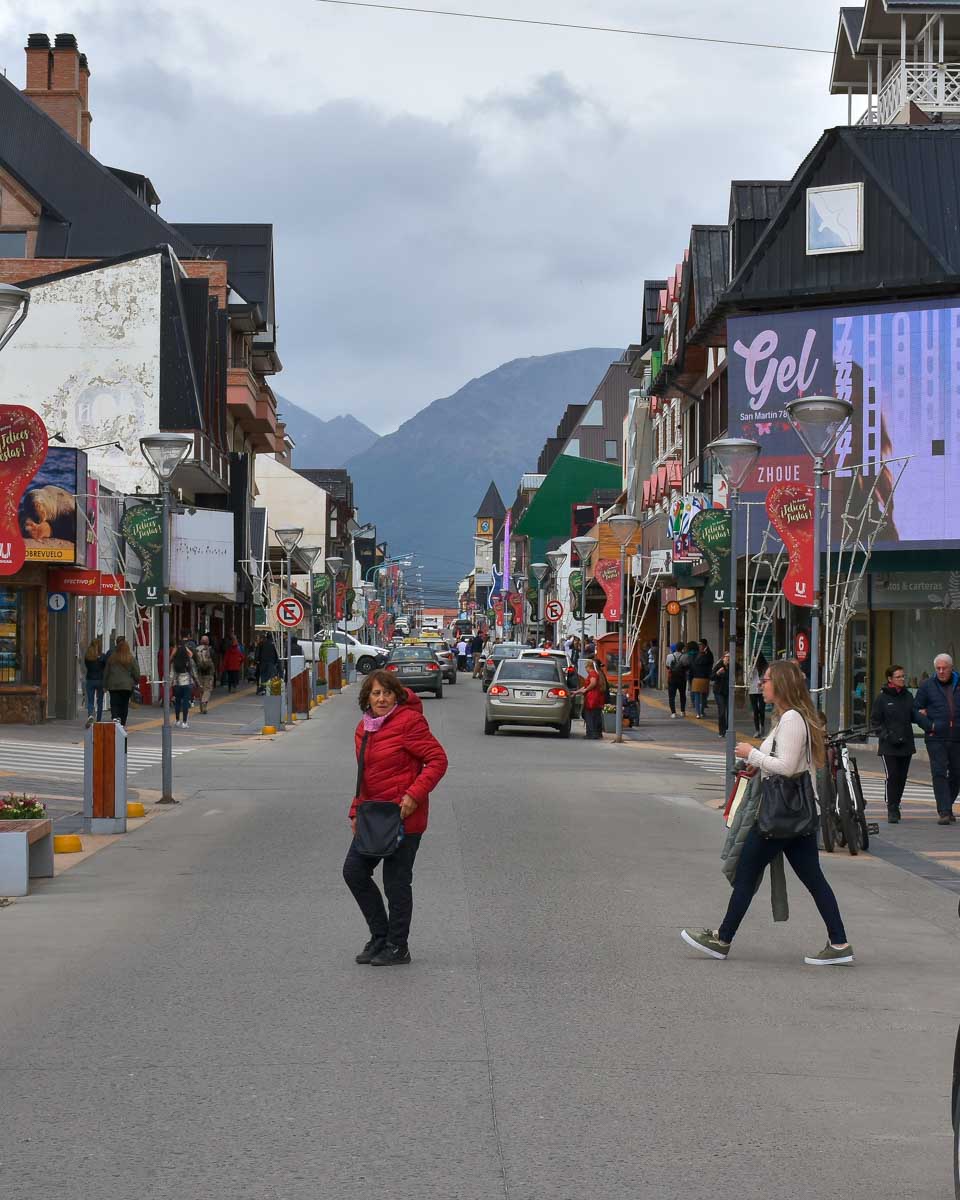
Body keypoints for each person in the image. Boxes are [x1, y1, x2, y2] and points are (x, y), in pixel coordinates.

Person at [681, 659, 853, 966]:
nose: (763, 684)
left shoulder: (791, 720)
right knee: (813, 880)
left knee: (747, 872)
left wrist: (753, 754)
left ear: (782, 684)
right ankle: (839, 943)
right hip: (796, 815)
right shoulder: (793, 718)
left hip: (780, 816)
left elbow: (786, 767)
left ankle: (722, 939)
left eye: (768, 680)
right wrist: (756, 760)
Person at [343, 670, 448, 966]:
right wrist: (355, 810)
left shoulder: (409, 722)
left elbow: (438, 759)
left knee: (396, 883)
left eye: (387, 693)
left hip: (404, 817)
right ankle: (380, 936)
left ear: (396, 696)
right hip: (373, 816)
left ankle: (398, 946)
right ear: (367, 698)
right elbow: (365, 776)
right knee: (354, 871)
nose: (381, 698)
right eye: (375, 693)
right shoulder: (364, 729)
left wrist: (414, 795)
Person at [913, 653, 960, 825]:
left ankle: (947, 804)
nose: (941, 671)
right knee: (939, 773)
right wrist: (929, 725)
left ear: (951, 667)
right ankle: (944, 811)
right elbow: (916, 710)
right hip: (936, 737)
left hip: (957, 736)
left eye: (944, 668)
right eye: (938, 668)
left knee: (957, 773)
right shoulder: (927, 686)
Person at [869, 664, 916, 825]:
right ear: (890, 679)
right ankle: (892, 808)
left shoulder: (908, 696)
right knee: (893, 776)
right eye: (899, 677)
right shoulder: (882, 698)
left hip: (906, 744)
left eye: (903, 676)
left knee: (902, 777)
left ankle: (897, 803)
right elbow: (875, 721)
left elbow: (914, 715)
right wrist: (886, 735)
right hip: (889, 745)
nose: (902, 679)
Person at [103, 636, 139, 727]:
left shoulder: (112, 658)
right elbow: (136, 672)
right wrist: (136, 680)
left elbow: (106, 672)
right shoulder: (130, 658)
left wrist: (105, 685)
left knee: (114, 702)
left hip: (113, 685)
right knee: (124, 704)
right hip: (126, 686)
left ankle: (115, 717)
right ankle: (122, 723)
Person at [574, 657, 608, 740]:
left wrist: (586, 690)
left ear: (588, 667)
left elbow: (592, 683)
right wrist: (576, 692)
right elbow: (585, 686)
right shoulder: (597, 673)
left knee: (589, 715)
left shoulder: (593, 674)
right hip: (596, 698)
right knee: (594, 715)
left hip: (592, 698)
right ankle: (596, 733)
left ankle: (591, 733)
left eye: (585, 667)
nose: (585, 669)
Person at [169, 640, 197, 729]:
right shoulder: (189, 660)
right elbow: (194, 672)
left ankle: (177, 720)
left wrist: (169, 684)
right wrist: (197, 682)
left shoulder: (174, 662)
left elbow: (171, 674)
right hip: (187, 683)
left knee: (177, 702)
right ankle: (184, 722)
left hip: (177, 684)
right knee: (185, 703)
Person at [83, 636, 106, 727]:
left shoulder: (87, 657)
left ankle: (90, 716)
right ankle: (99, 720)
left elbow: (87, 666)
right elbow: (105, 667)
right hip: (100, 680)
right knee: (100, 701)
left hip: (90, 680)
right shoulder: (103, 657)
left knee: (90, 701)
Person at [690, 639, 714, 719]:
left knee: (703, 695)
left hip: (704, 677)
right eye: (699, 645)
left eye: (701, 644)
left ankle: (701, 711)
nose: (700, 646)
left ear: (705, 645)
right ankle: (698, 712)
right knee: (698, 695)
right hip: (697, 677)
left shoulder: (708, 654)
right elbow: (692, 666)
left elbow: (709, 664)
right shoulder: (696, 654)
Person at [747, 653, 768, 738]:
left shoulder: (764, 667)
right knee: (755, 710)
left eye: (755, 657)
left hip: (761, 690)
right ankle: (757, 730)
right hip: (752, 690)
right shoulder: (751, 666)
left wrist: (762, 681)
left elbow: (766, 676)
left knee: (761, 710)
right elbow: (748, 676)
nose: (754, 658)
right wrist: (751, 667)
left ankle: (762, 727)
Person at [665, 643, 689, 719]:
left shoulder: (669, 656)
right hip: (682, 678)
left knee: (671, 696)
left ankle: (673, 713)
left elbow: (667, 666)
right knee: (682, 694)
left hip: (672, 678)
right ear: (682, 648)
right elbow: (687, 666)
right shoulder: (685, 656)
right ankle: (682, 711)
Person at [194, 635, 216, 714]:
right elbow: (213, 660)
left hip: (199, 672)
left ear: (200, 641)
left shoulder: (196, 650)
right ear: (208, 642)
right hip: (209, 673)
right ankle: (204, 704)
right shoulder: (210, 650)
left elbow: (194, 661)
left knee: (201, 690)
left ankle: (202, 708)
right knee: (207, 690)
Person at [711, 652, 730, 739]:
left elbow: (740, 670)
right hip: (719, 691)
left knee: (729, 712)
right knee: (722, 711)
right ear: (723, 658)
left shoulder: (732, 667)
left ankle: (727, 729)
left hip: (728, 691)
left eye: (730, 657)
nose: (728, 659)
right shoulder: (719, 665)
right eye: (727, 657)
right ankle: (721, 731)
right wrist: (718, 673)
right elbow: (712, 677)